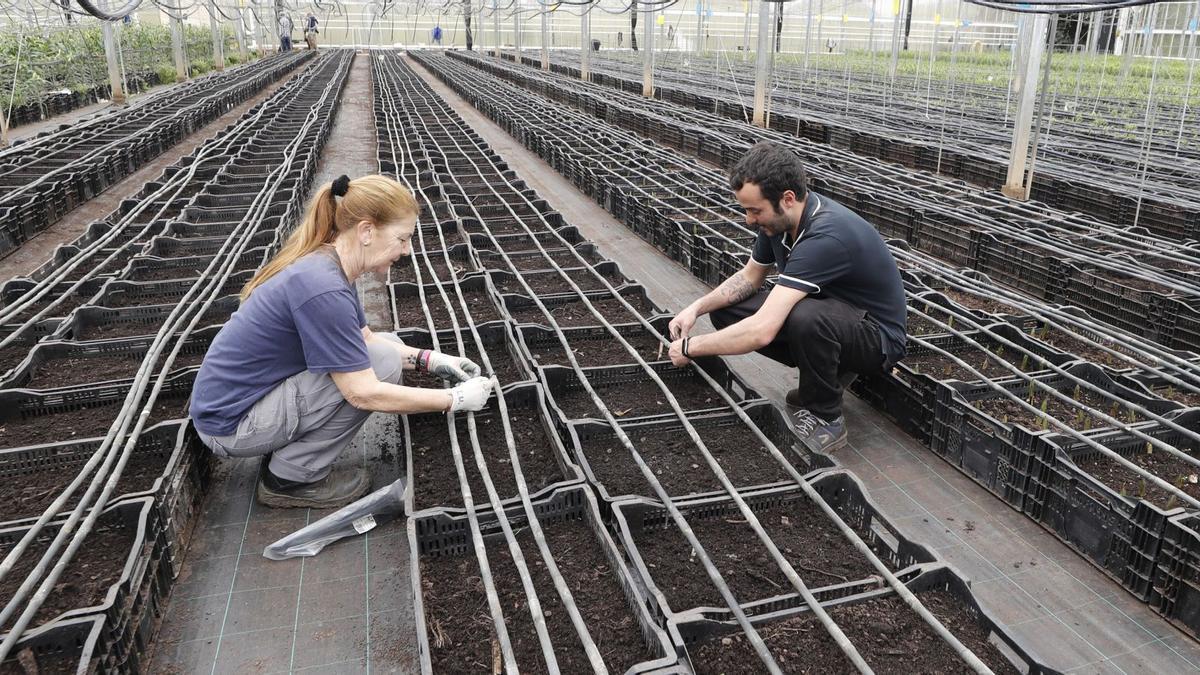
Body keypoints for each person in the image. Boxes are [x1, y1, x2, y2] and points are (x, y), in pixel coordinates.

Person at [190, 175, 496, 508]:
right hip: (232, 425)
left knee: (382, 347)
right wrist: (454, 399)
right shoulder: (324, 288)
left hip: (238, 406)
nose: (407, 250)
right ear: (367, 231)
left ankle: (290, 457)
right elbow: (361, 392)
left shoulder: (329, 264)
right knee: (379, 366)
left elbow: (366, 339)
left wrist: (431, 359)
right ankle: (290, 478)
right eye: (403, 238)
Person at [667, 143, 907, 455]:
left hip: (876, 338)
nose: (749, 220)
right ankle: (824, 376)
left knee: (806, 318)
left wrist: (691, 346)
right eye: (746, 210)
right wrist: (695, 309)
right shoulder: (778, 224)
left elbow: (762, 331)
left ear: (788, 199)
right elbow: (750, 277)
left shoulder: (826, 236)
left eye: (755, 210)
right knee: (731, 310)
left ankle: (826, 417)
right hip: (835, 316)